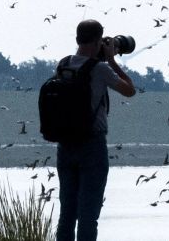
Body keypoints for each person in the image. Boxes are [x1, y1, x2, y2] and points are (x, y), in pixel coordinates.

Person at [56, 19, 136, 241]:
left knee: (67, 215)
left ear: (77, 39)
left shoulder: (62, 65)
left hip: (65, 146)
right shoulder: (100, 69)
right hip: (91, 146)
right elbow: (130, 90)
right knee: (88, 216)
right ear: (97, 41)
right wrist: (111, 59)